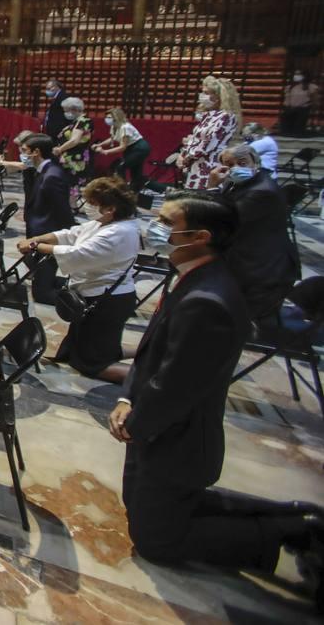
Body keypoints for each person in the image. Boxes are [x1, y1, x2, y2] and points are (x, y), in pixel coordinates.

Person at [108, 193, 324, 580]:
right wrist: (127, 396)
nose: (153, 227)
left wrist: (137, 423)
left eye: (165, 222)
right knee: (144, 505)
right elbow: (152, 349)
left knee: (156, 542)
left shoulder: (209, 301)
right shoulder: (193, 274)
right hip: (153, 423)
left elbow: (177, 386)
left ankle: (287, 528)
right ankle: (292, 512)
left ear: (200, 235)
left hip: (179, 437)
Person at [18, 177, 140, 381]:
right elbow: (70, 234)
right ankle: (148, 351)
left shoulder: (119, 232)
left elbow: (77, 253)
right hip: (94, 293)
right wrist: (38, 238)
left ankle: (154, 383)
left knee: (93, 365)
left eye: (94, 204)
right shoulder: (106, 222)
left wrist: (35, 246)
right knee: (83, 350)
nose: (89, 208)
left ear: (110, 208)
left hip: (108, 301)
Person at [209, 144, 300, 331]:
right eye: (229, 164)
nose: (236, 167)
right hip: (247, 256)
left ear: (255, 161)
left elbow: (224, 220)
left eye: (242, 162)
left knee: (220, 320)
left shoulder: (262, 191)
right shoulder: (237, 182)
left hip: (261, 268)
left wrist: (211, 188)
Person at [19, 133, 76, 304]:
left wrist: (56, 240)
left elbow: (63, 212)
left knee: (42, 294)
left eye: (24, 151)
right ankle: (74, 287)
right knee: (39, 275)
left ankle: (86, 303)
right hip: (39, 233)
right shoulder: (42, 171)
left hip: (48, 237)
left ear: (36, 152)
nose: (22, 155)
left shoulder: (52, 176)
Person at [178, 76, 240, 190]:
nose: (202, 96)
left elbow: (208, 144)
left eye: (206, 93)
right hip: (195, 165)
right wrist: (183, 154)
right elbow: (195, 140)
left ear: (218, 96)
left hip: (209, 166)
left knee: (201, 200)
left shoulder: (226, 116)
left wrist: (186, 156)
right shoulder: (209, 114)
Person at [93, 107, 149, 192]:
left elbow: (122, 147)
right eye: (106, 117)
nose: (107, 119)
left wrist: (106, 152)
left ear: (116, 117)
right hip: (131, 148)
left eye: (109, 117)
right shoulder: (114, 126)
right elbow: (112, 138)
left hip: (139, 148)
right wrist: (99, 144)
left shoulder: (125, 127)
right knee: (136, 174)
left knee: (121, 166)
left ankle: (122, 190)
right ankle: (136, 192)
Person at [52, 96, 92, 180]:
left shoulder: (83, 121)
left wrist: (60, 149)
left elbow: (74, 140)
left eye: (66, 110)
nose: (65, 113)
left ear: (74, 109)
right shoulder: (76, 121)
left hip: (75, 159)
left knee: (73, 185)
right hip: (68, 157)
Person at [281, 70, 316, 137]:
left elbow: (314, 99)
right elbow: (287, 98)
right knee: (287, 127)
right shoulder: (290, 87)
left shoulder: (311, 87)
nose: (296, 76)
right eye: (295, 74)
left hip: (303, 109)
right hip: (290, 109)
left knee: (298, 128)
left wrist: (313, 108)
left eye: (299, 74)